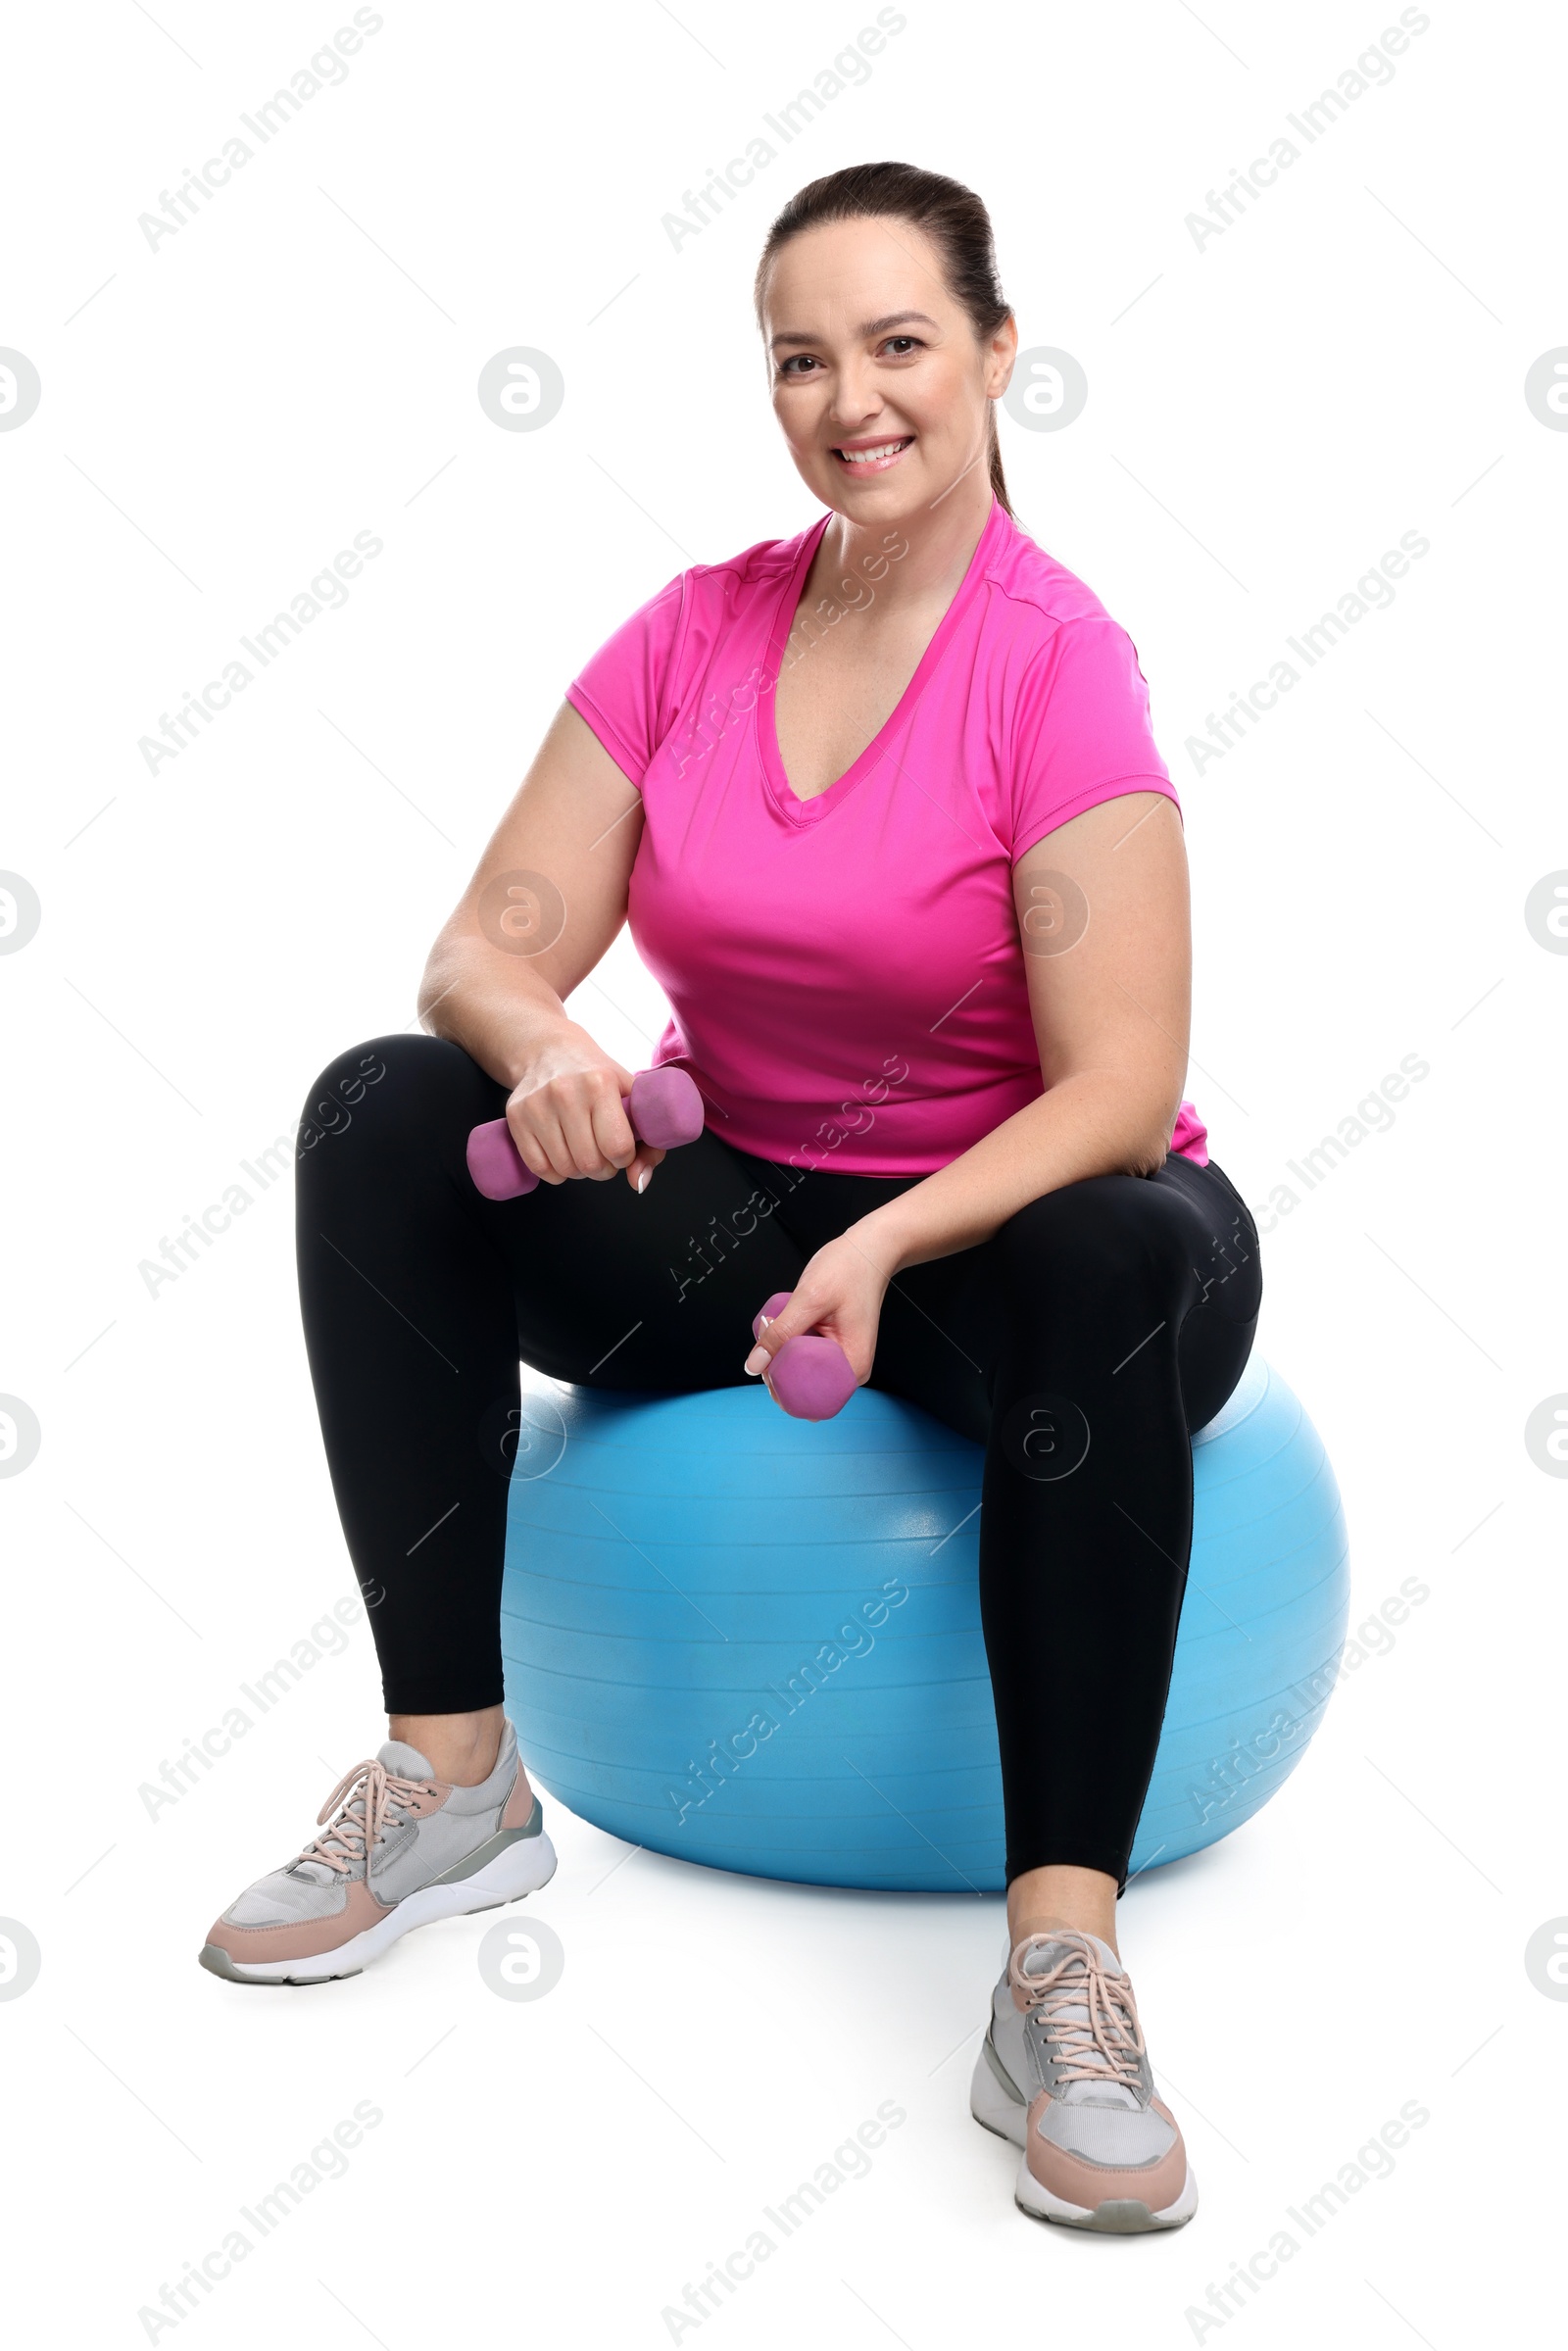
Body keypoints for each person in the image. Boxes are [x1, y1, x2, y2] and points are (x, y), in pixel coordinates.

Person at [199, 161, 1259, 2234]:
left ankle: (1057, 1965)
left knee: (1108, 1251)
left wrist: (882, 1237)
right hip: (745, 1206)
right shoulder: (694, 631)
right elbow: (480, 944)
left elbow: (1122, 1092)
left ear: (992, 358)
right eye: (801, 356)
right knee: (375, 1112)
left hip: (1028, 1236)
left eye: (896, 344)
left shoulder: (1056, 666)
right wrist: (547, 1047)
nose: (849, 398)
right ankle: (452, 1780)